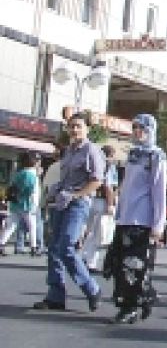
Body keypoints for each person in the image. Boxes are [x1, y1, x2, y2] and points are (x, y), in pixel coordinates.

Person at [33, 112, 104, 312]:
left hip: (78, 203)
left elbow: (97, 180)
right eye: (71, 126)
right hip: (61, 202)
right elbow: (65, 178)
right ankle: (55, 296)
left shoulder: (91, 151)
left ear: (86, 129)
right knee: (54, 249)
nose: (74, 130)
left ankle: (92, 289)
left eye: (78, 126)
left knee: (66, 247)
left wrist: (77, 195)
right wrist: (54, 193)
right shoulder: (69, 151)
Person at [107, 114, 167, 324]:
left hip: (142, 219)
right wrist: (118, 210)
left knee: (133, 266)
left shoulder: (156, 156)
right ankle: (144, 295)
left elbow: (159, 192)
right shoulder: (133, 154)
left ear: (151, 130)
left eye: (142, 128)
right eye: (135, 128)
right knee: (118, 264)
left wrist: (158, 225)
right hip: (125, 218)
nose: (137, 132)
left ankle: (131, 306)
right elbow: (127, 186)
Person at [83, 145, 118, 272]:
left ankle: (84, 256)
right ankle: (91, 261)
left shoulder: (94, 164)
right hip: (102, 201)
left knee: (89, 231)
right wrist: (110, 204)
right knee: (99, 234)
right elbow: (108, 186)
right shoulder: (109, 167)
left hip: (90, 198)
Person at [0, 152, 41, 256]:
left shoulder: (18, 173)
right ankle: (34, 247)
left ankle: (1, 244)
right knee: (32, 226)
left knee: (11, 225)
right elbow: (32, 191)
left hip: (15, 204)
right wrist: (34, 204)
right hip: (27, 204)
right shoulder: (32, 175)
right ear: (33, 162)